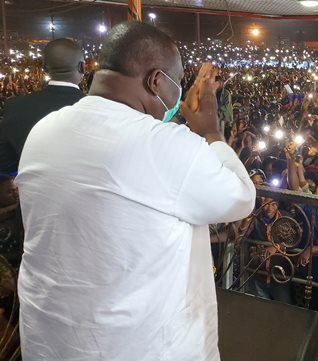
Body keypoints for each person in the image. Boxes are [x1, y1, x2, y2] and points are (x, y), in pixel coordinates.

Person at [16, 22, 255, 361]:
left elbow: (143, 157)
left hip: (51, 342)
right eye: (178, 83)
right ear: (156, 80)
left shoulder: (45, 129)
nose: (178, 98)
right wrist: (211, 132)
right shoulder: (163, 146)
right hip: (139, 347)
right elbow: (241, 197)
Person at [0, 38, 85, 174]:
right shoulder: (98, 109)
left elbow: (4, 164)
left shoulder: (15, 107)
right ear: (82, 67)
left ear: (44, 68)